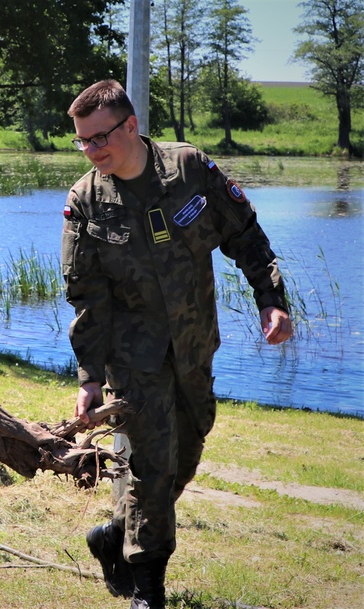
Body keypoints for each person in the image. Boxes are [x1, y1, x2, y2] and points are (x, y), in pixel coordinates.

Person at [60, 80, 292, 609]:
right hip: (134, 360)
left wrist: (270, 299)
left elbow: (245, 234)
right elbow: (88, 300)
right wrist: (90, 378)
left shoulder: (190, 171)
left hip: (193, 345)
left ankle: (113, 535)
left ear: (131, 126)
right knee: (150, 464)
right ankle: (148, 589)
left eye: (99, 139)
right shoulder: (86, 203)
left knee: (185, 452)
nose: (92, 151)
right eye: (82, 142)